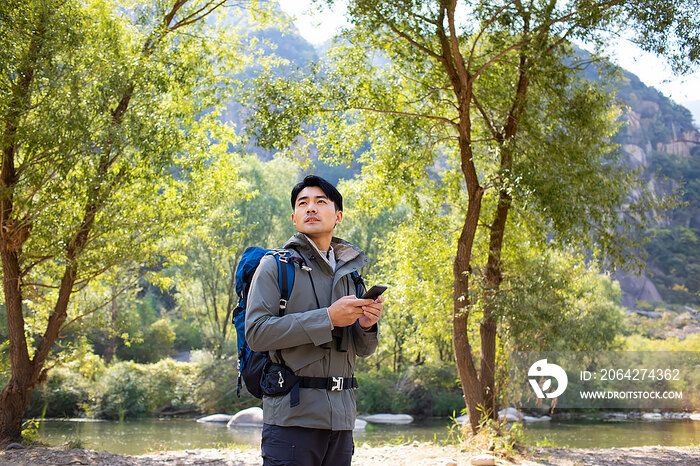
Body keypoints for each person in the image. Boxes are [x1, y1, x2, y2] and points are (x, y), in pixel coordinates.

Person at [245, 174, 383, 466]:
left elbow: (364, 350)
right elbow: (256, 333)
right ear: (294, 217)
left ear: (338, 216)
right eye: (303, 203)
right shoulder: (275, 267)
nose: (311, 208)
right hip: (292, 419)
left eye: (321, 202)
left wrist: (367, 325)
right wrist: (328, 318)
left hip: (342, 421)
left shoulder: (352, 275)